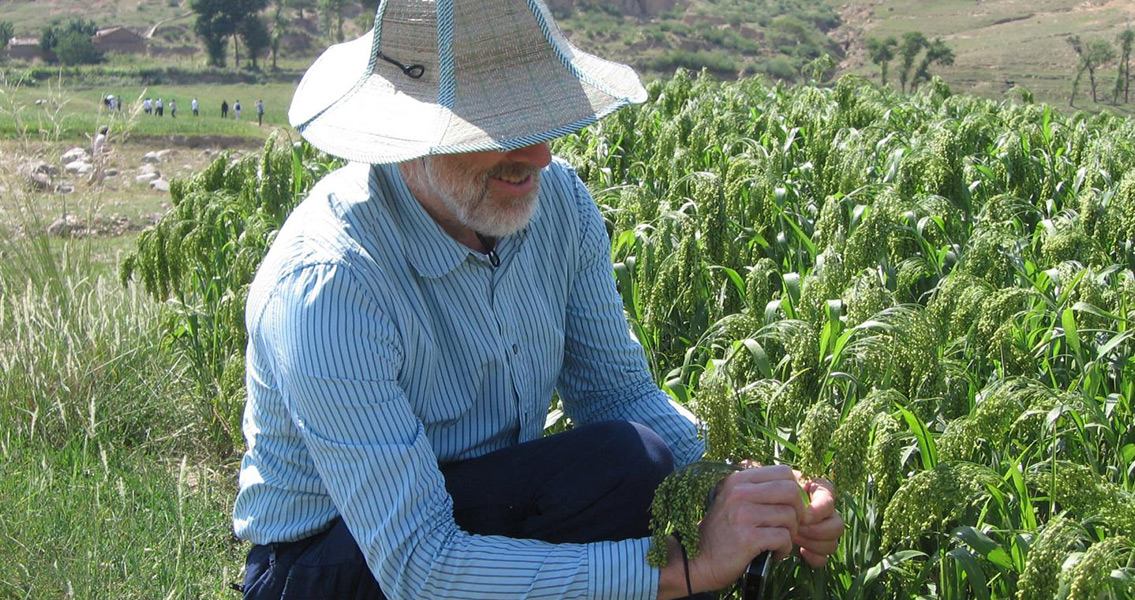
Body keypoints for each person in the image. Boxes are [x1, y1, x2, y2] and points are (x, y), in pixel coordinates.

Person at [232, 1, 844, 600]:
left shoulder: (557, 208)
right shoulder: (331, 283)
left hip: (478, 504)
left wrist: (743, 491)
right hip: (330, 560)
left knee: (633, 463)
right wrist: (682, 570)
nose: (541, 157)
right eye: (498, 129)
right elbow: (419, 567)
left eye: (540, 121)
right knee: (634, 488)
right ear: (410, 134)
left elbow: (616, 392)